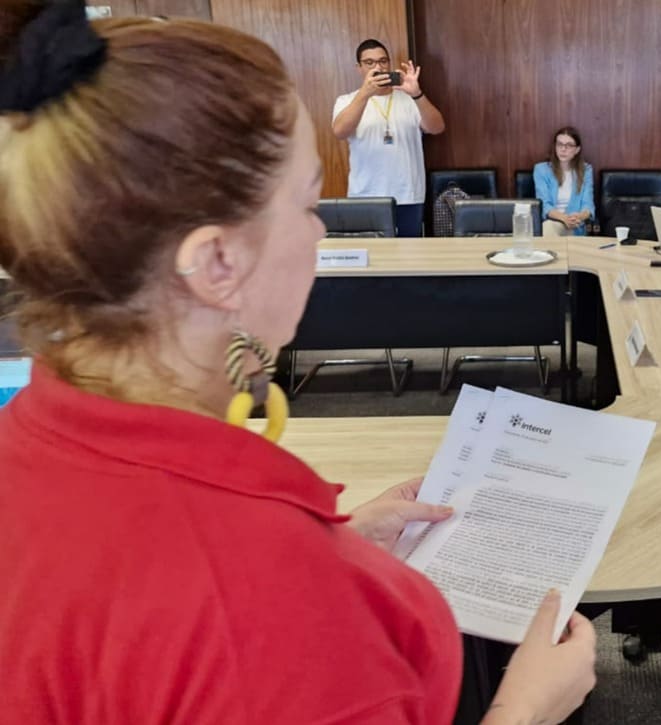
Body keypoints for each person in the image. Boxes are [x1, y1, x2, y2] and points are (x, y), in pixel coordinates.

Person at [0, 6, 593, 724]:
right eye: (310, 204)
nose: (321, 235)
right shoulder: (272, 610)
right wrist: (525, 707)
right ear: (218, 263)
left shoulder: (29, 440)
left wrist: (338, 540)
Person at [332, 38, 445, 238]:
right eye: (369, 62)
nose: (378, 67)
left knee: (409, 254)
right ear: (359, 68)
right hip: (365, 196)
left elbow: (437, 128)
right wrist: (364, 94)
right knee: (370, 254)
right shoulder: (347, 100)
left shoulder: (409, 98)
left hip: (408, 195)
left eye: (383, 61)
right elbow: (340, 131)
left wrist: (417, 94)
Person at [533, 126, 595, 237]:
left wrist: (579, 216)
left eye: (569, 145)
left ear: (577, 150)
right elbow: (544, 205)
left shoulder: (586, 170)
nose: (563, 149)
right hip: (552, 222)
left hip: (575, 226)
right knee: (548, 226)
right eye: (560, 144)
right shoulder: (541, 170)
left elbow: (588, 204)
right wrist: (564, 218)